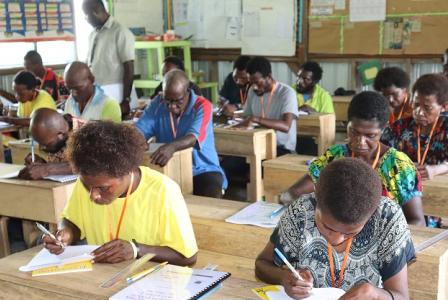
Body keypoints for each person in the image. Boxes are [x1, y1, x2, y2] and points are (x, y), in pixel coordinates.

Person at [43, 121, 197, 300]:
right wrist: (66, 234)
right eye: (88, 186)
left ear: (126, 171)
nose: (94, 195)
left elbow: (188, 256)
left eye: (103, 188)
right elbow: (72, 220)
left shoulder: (163, 192)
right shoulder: (90, 184)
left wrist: (137, 249)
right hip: (99, 295)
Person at [255, 158, 425, 300]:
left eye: (350, 232)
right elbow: (261, 265)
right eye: (326, 226)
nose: (336, 238)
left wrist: (372, 294)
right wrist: (284, 277)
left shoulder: (387, 217)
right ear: (316, 201)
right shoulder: (301, 211)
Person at [279, 91, 424, 226]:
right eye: (354, 132)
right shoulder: (335, 156)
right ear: (347, 124)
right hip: (338, 236)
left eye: (370, 135)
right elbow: (293, 194)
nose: (360, 142)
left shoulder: (398, 165)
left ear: (384, 129)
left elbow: (416, 220)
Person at [136, 69, 227, 198]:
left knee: (210, 195)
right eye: (168, 100)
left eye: (177, 101)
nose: (172, 106)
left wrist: (171, 147)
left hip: (201, 169)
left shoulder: (202, 105)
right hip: (168, 168)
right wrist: (138, 139)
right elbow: (139, 130)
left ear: (187, 92)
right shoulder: (157, 103)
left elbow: (193, 138)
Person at [382, 73, 448, 181]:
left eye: (427, 108)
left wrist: (435, 170)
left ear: (444, 107)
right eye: (416, 104)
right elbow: (379, 155)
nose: (419, 112)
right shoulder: (399, 127)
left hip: (439, 184)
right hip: (405, 184)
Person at [83, 0, 135, 116]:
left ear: (95, 11)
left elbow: (129, 68)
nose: (85, 19)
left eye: (86, 15)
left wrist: (126, 100)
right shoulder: (93, 34)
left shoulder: (120, 32)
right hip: (98, 91)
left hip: (117, 90)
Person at [238, 56, 298, 155]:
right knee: (229, 164)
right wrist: (232, 127)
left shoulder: (286, 93)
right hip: (257, 145)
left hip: (281, 148)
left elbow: (286, 126)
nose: (254, 87)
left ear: (269, 77)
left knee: (257, 166)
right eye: (251, 83)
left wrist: (256, 119)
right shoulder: (252, 91)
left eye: (257, 82)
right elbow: (247, 117)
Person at [18, 108, 73, 180]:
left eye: (46, 144)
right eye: (39, 143)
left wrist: (46, 169)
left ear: (60, 134)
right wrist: (42, 163)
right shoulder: (54, 136)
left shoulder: (86, 134)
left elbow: (89, 165)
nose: (41, 148)